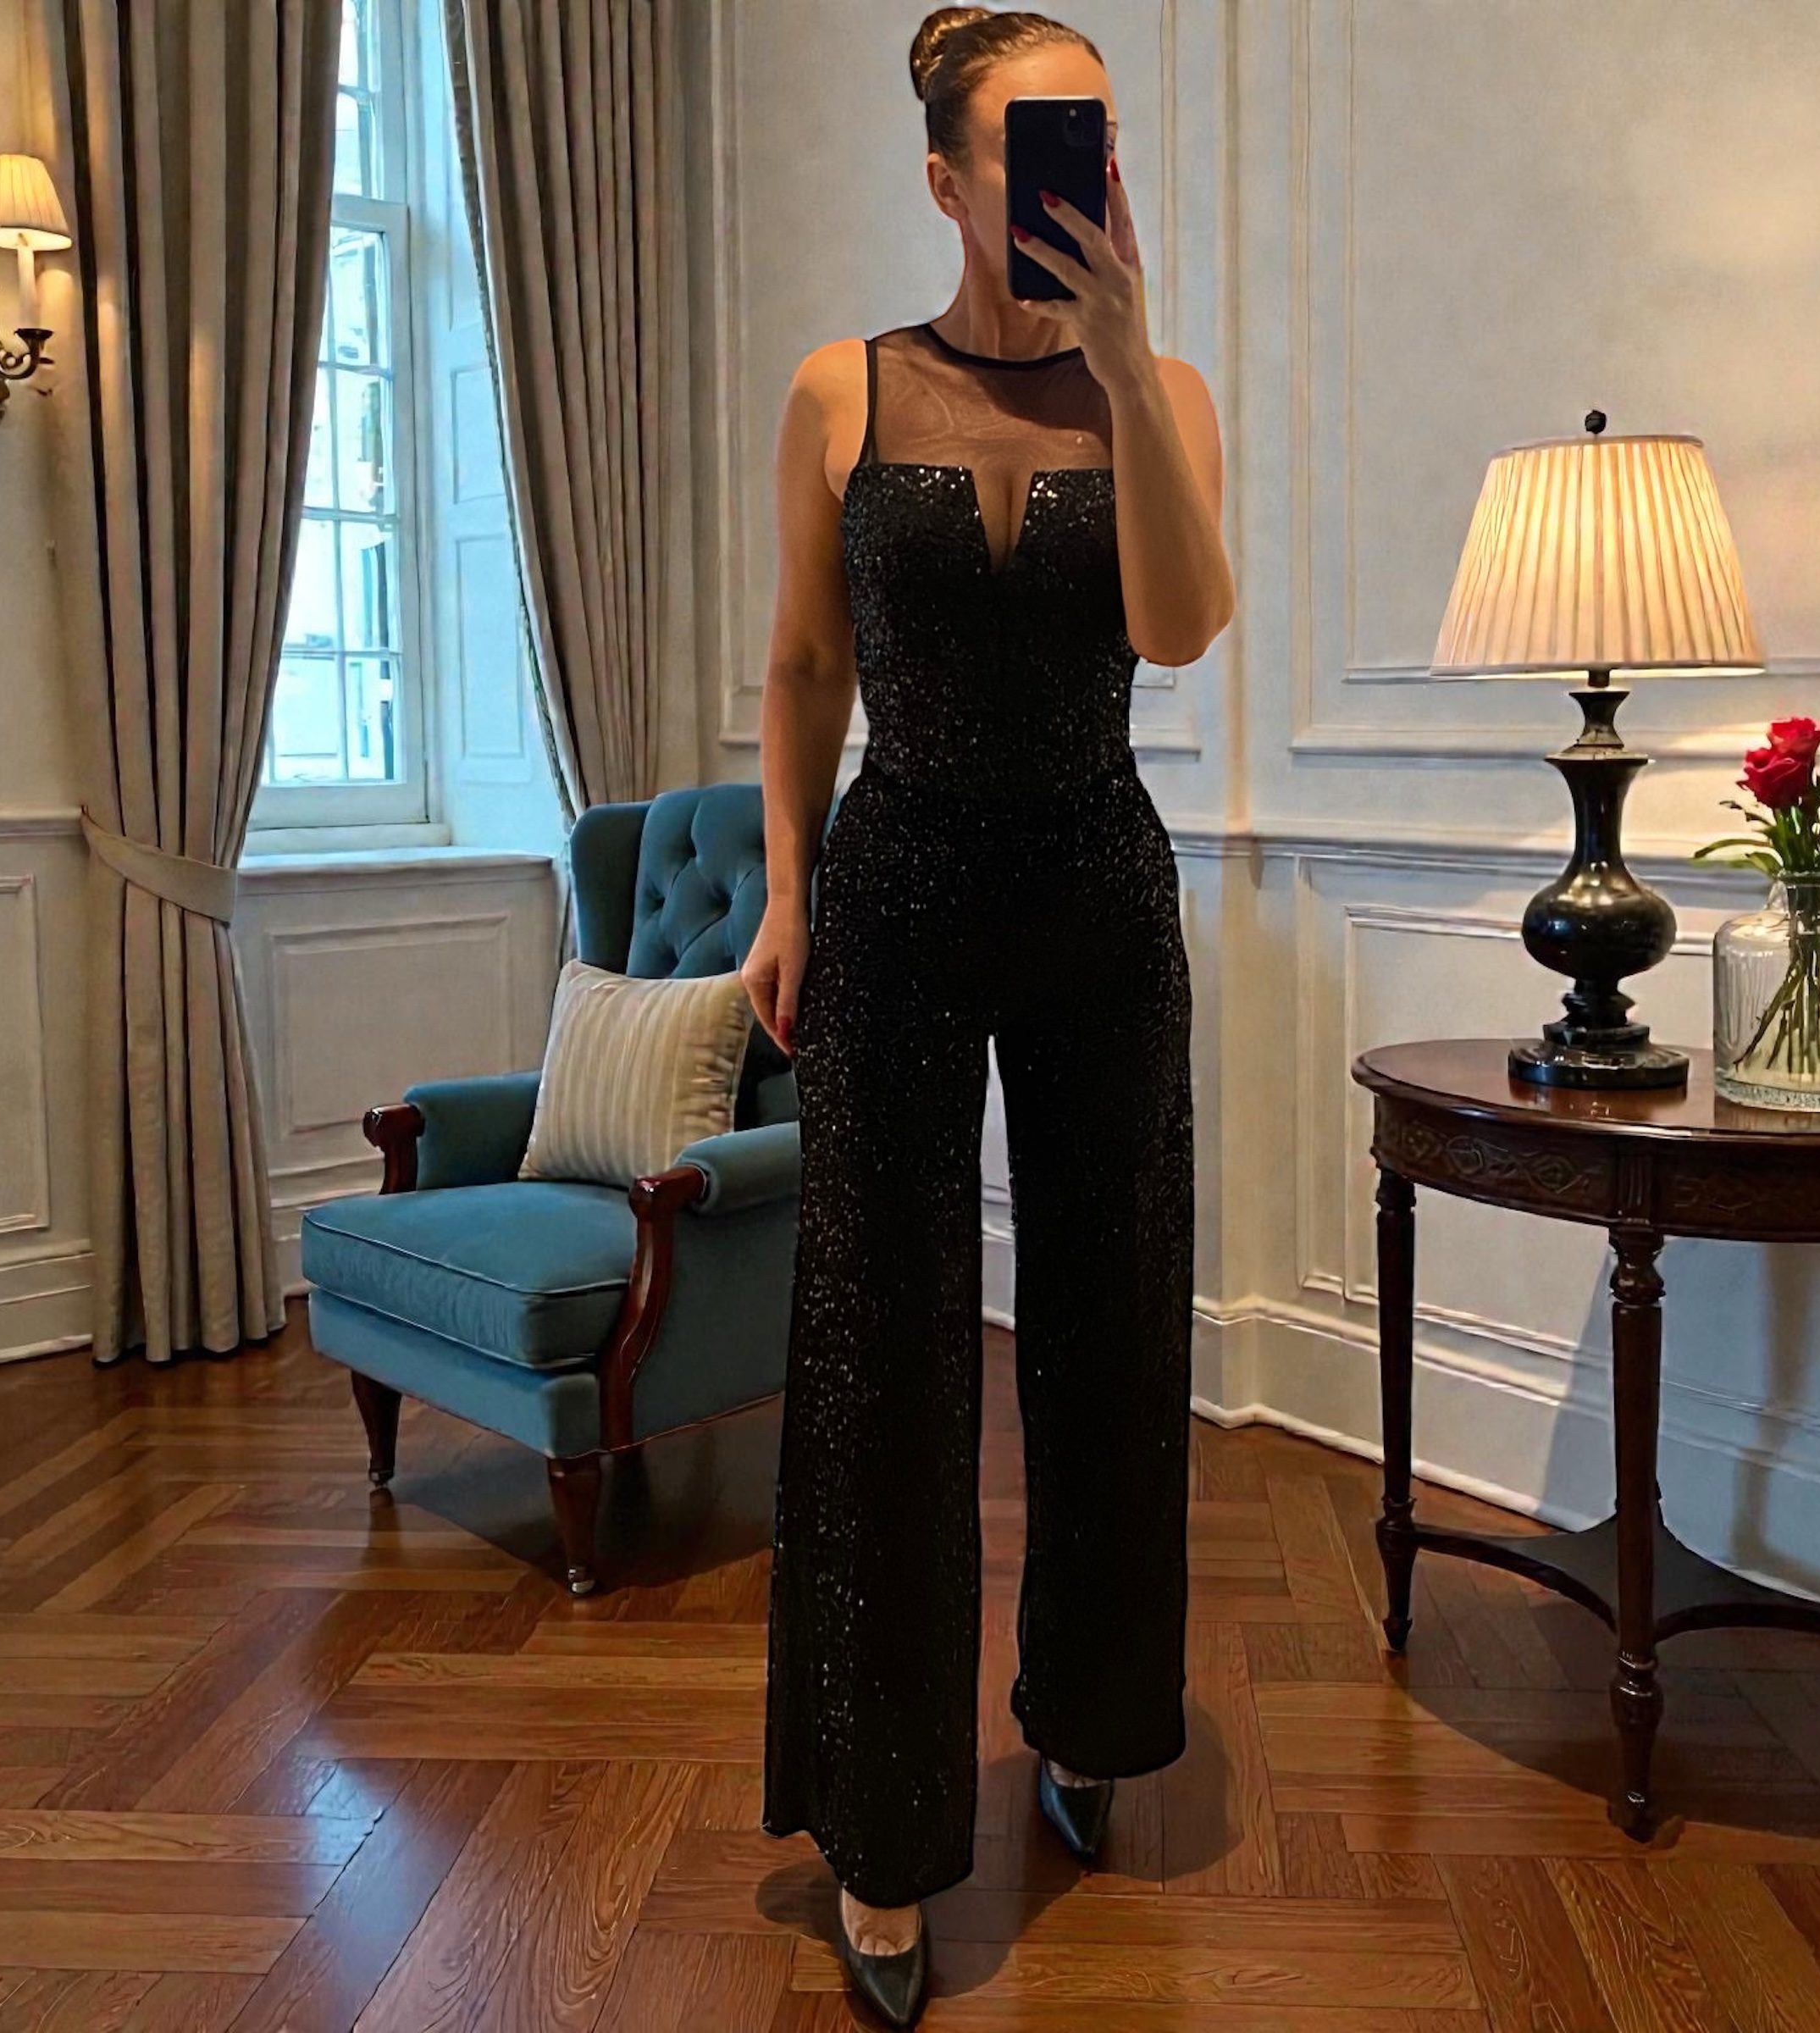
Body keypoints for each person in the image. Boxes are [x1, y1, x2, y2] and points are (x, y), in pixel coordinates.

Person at [742, 8, 1231, 2025]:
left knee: (1112, 1327)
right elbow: (802, 666)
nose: (1074, 178)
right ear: (948, 178)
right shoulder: (838, 388)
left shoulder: (1162, 388)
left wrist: (1125, 359)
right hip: (900, 887)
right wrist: (786, 890)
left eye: (1094, 139)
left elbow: (1180, 629)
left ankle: (1094, 1720)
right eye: (1034, 145)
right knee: (884, 1347)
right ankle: (883, 1823)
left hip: (1100, 882)